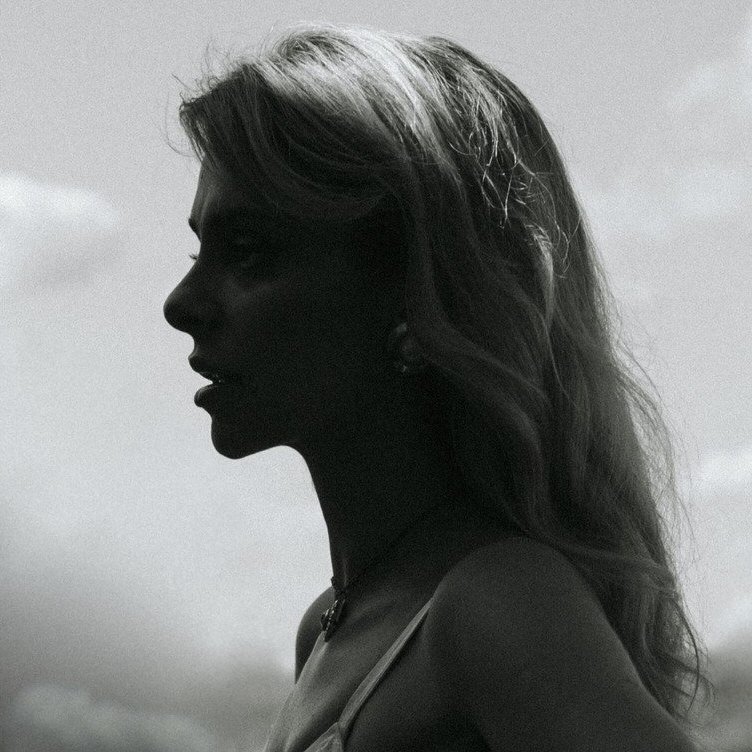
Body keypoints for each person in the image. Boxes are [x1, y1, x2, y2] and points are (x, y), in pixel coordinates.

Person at [163, 22, 709, 752]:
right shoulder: (330, 628)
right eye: (198, 251)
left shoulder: (498, 603)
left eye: (248, 251)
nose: (180, 304)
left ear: (417, 290)